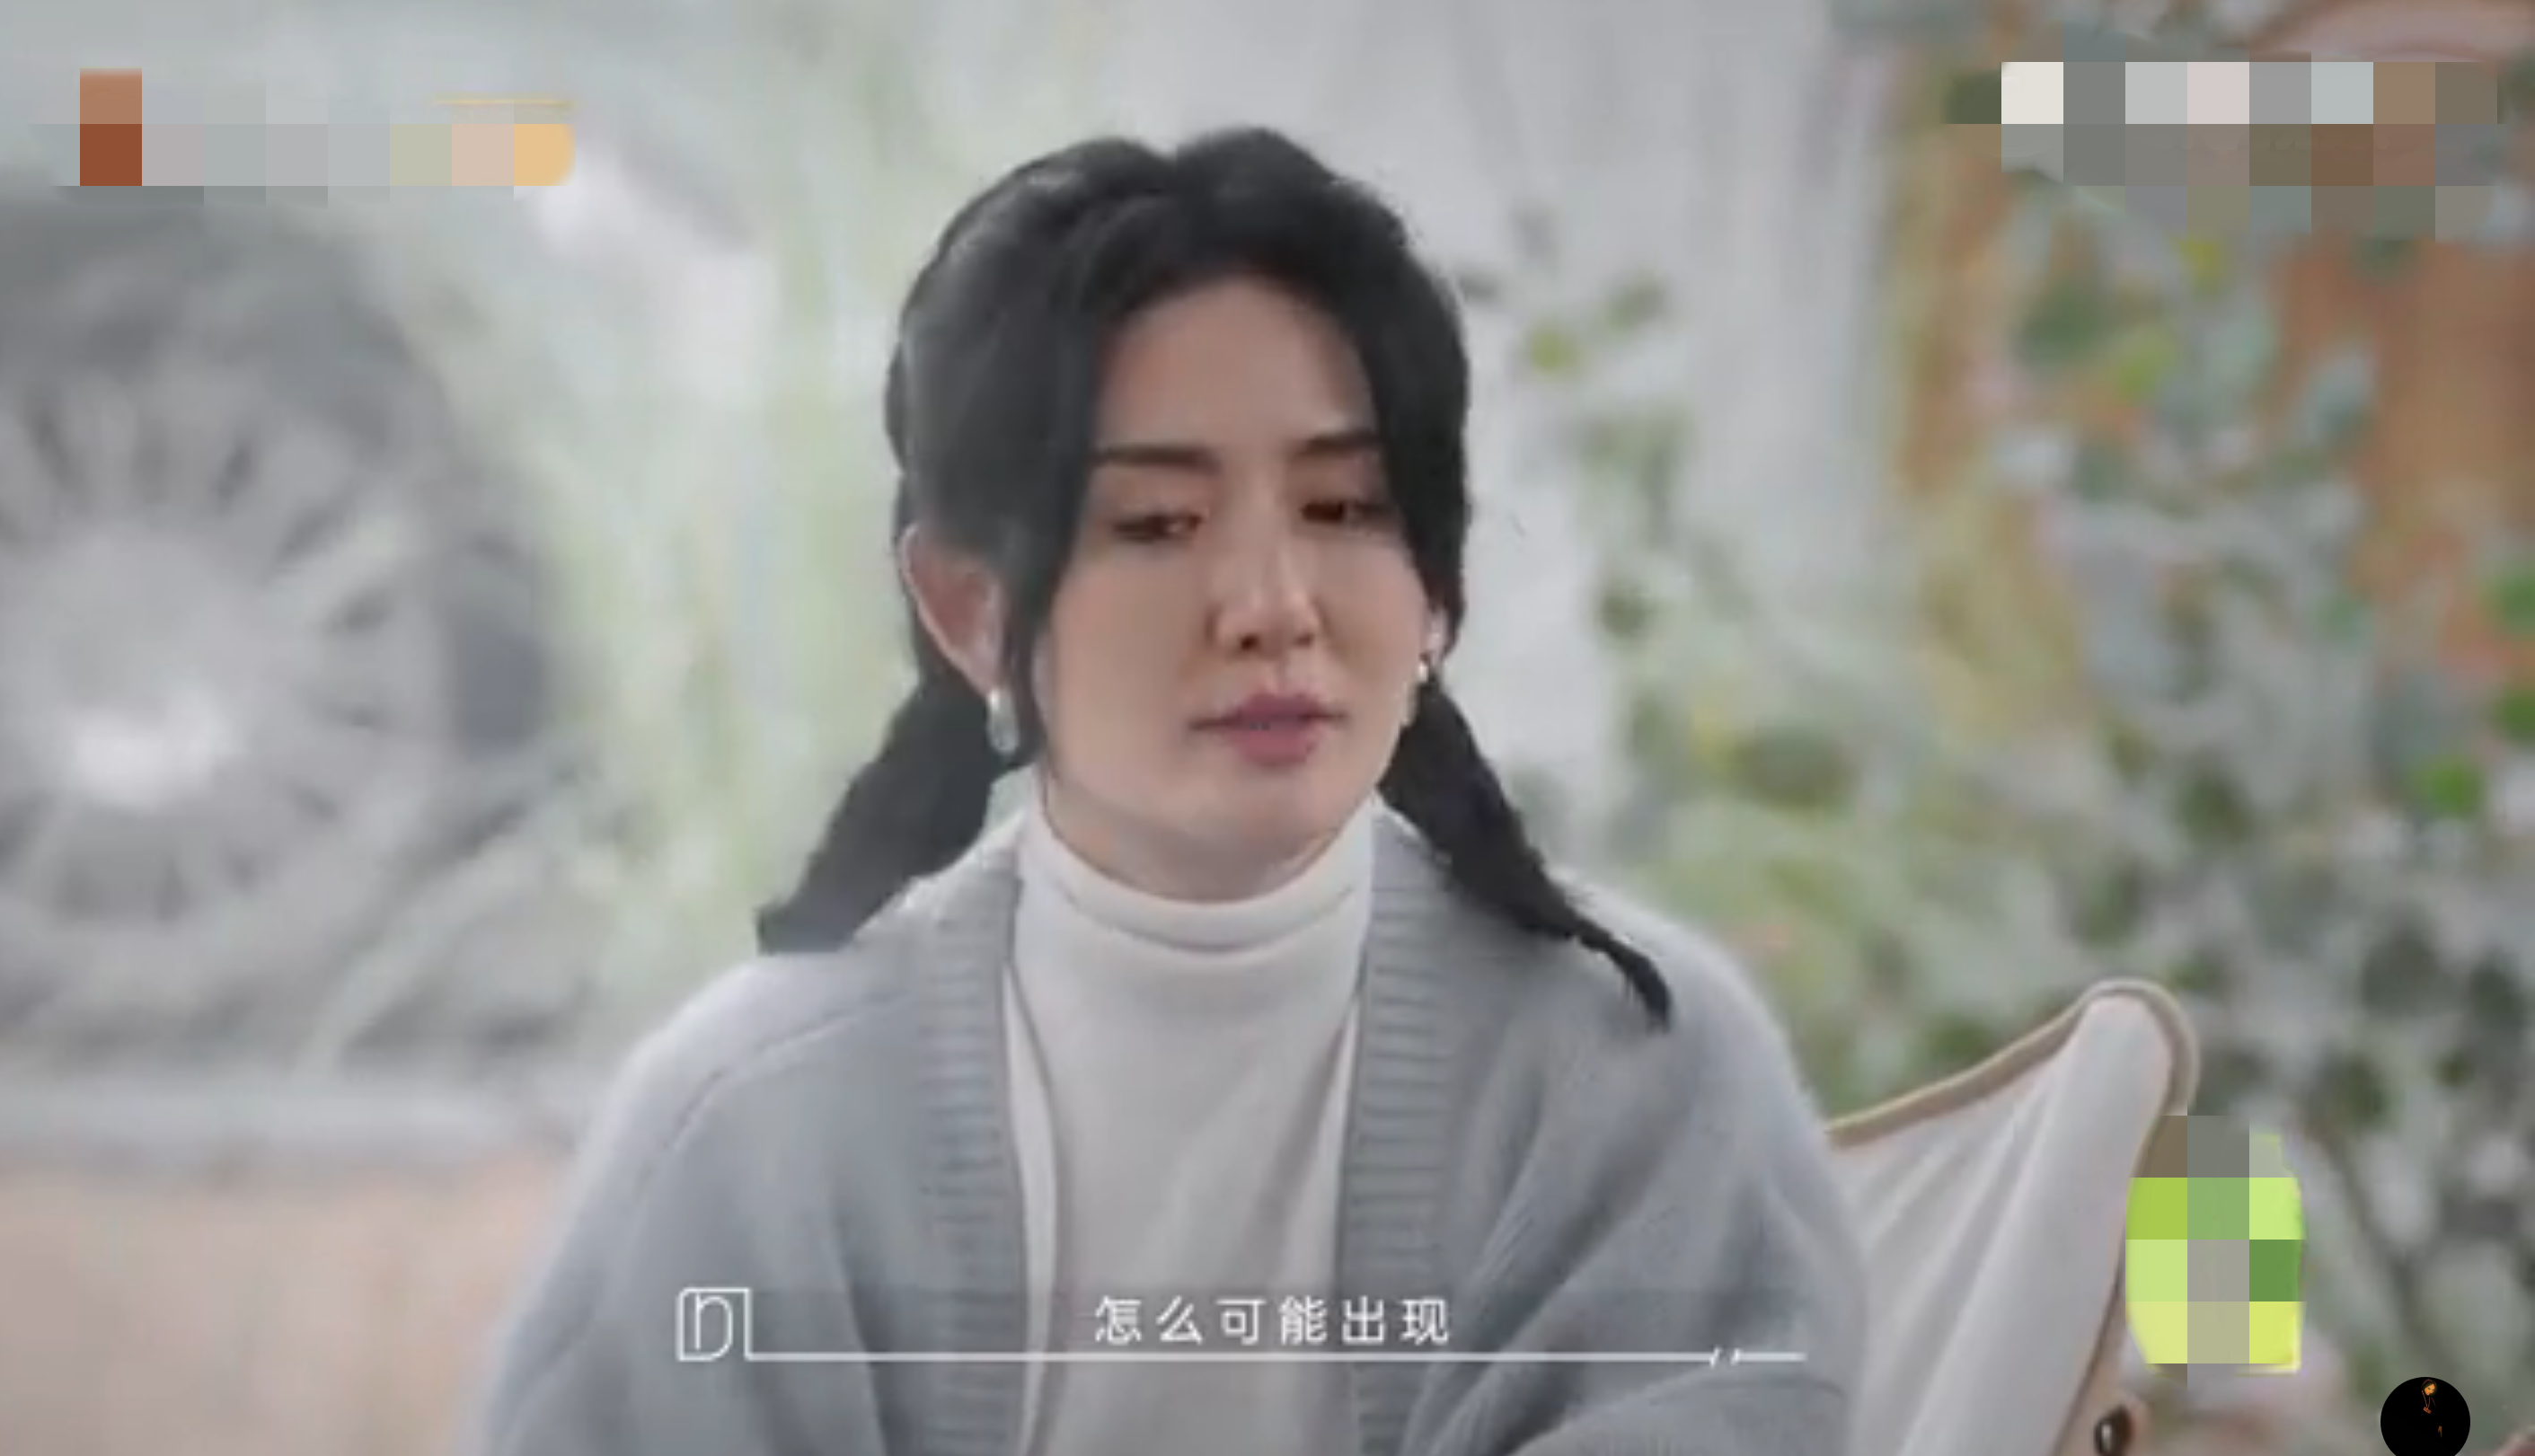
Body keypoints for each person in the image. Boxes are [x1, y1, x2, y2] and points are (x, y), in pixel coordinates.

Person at [468, 127, 1866, 1456]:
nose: (1271, 606)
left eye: (1343, 508)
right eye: (1156, 524)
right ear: (969, 609)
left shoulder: (1632, 1076)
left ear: (1436, 588)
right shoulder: (747, 1131)